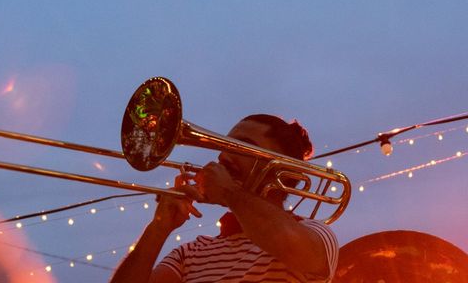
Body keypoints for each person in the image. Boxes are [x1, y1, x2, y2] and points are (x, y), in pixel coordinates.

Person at [110, 114, 339, 283]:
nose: (223, 154)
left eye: (242, 146)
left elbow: (288, 243)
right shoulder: (191, 252)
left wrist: (229, 193)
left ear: (283, 169)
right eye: (223, 145)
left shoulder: (317, 233)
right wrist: (158, 229)